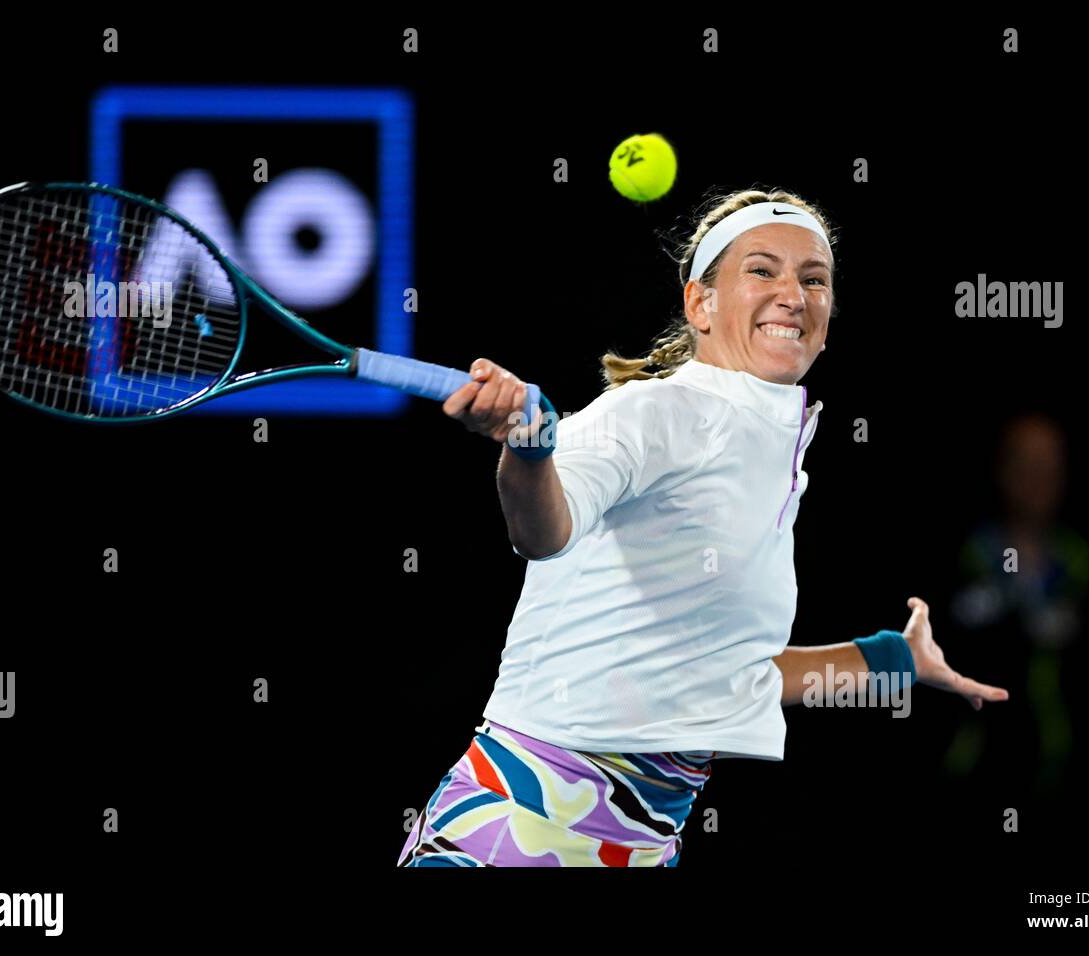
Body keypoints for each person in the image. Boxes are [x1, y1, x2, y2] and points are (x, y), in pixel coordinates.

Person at [397, 187, 1009, 867]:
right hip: (514, 835)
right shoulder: (650, 413)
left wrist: (894, 659)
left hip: (638, 849)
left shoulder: (775, 456)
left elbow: (723, 673)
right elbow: (544, 533)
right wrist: (530, 451)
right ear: (700, 305)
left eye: (814, 279)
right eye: (761, 270)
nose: (793, 294)